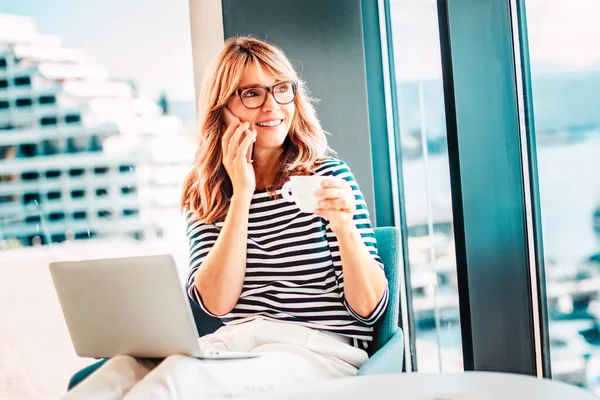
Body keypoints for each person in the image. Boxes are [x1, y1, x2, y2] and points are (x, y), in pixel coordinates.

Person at [62, 36, 388, 400]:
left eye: (281, 89)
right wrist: (242, 193)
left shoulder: (327, 178)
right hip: (233, 346)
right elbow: (215, 303)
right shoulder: (208, 193)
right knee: (115, 376)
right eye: (252, 94)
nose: (272, 106)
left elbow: (370, 310)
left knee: (169, 384)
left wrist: (344, 228)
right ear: (223, 109)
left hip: (315, 352)